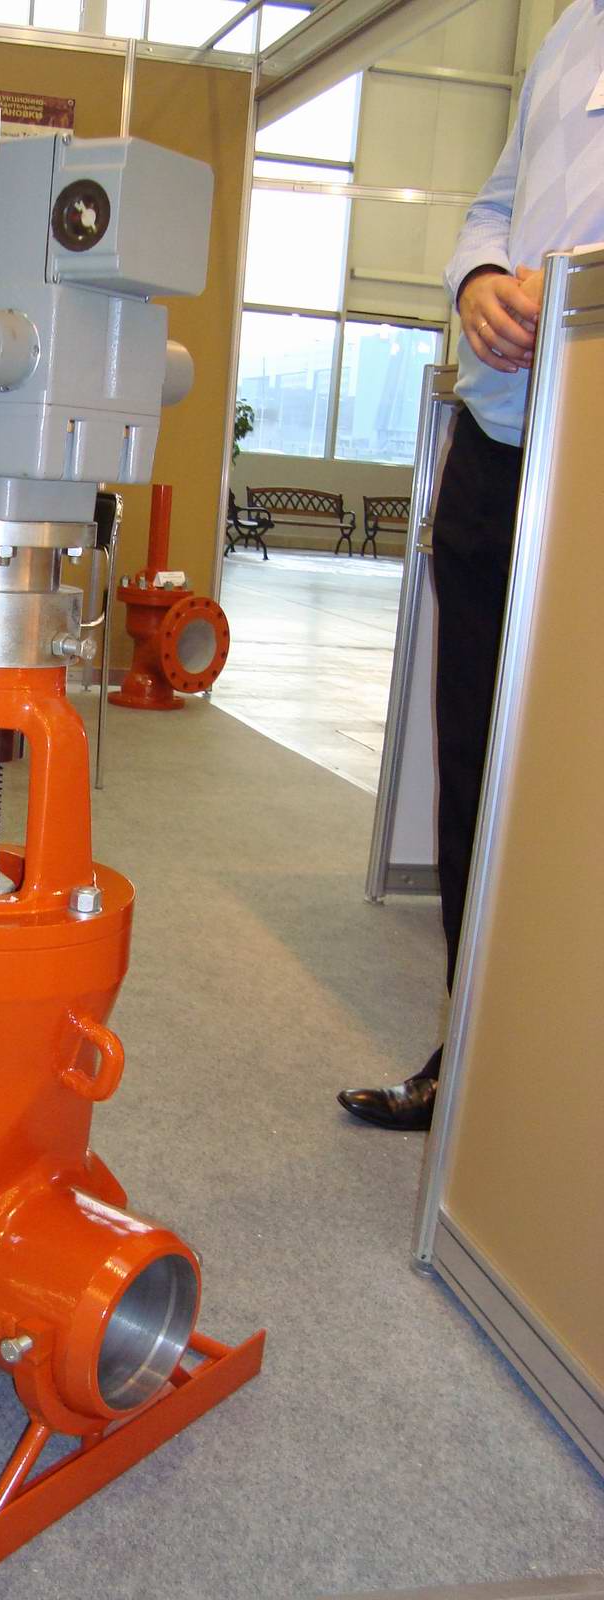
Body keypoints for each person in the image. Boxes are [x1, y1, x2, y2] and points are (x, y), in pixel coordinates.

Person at [339, 0, 604, 1130]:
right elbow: (496, 201)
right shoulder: (572, 30)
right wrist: (481, 278)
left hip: (595, 443)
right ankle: (475, 1066)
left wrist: (582, 286)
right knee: (476, 778)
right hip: (500, 442)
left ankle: (559, 1096)